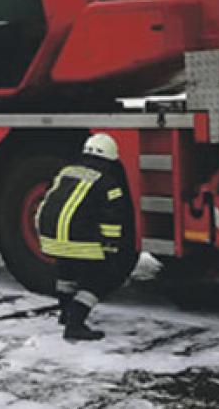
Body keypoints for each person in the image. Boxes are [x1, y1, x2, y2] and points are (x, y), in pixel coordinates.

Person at [35, 133, 138, 341]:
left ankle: (66, 312)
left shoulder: (67, 171)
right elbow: (112, 221)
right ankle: (75, 324)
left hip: (49, 237)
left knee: (67, 270)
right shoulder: (109, 183)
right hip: (78, 239)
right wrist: (111, 250)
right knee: (98, 280)